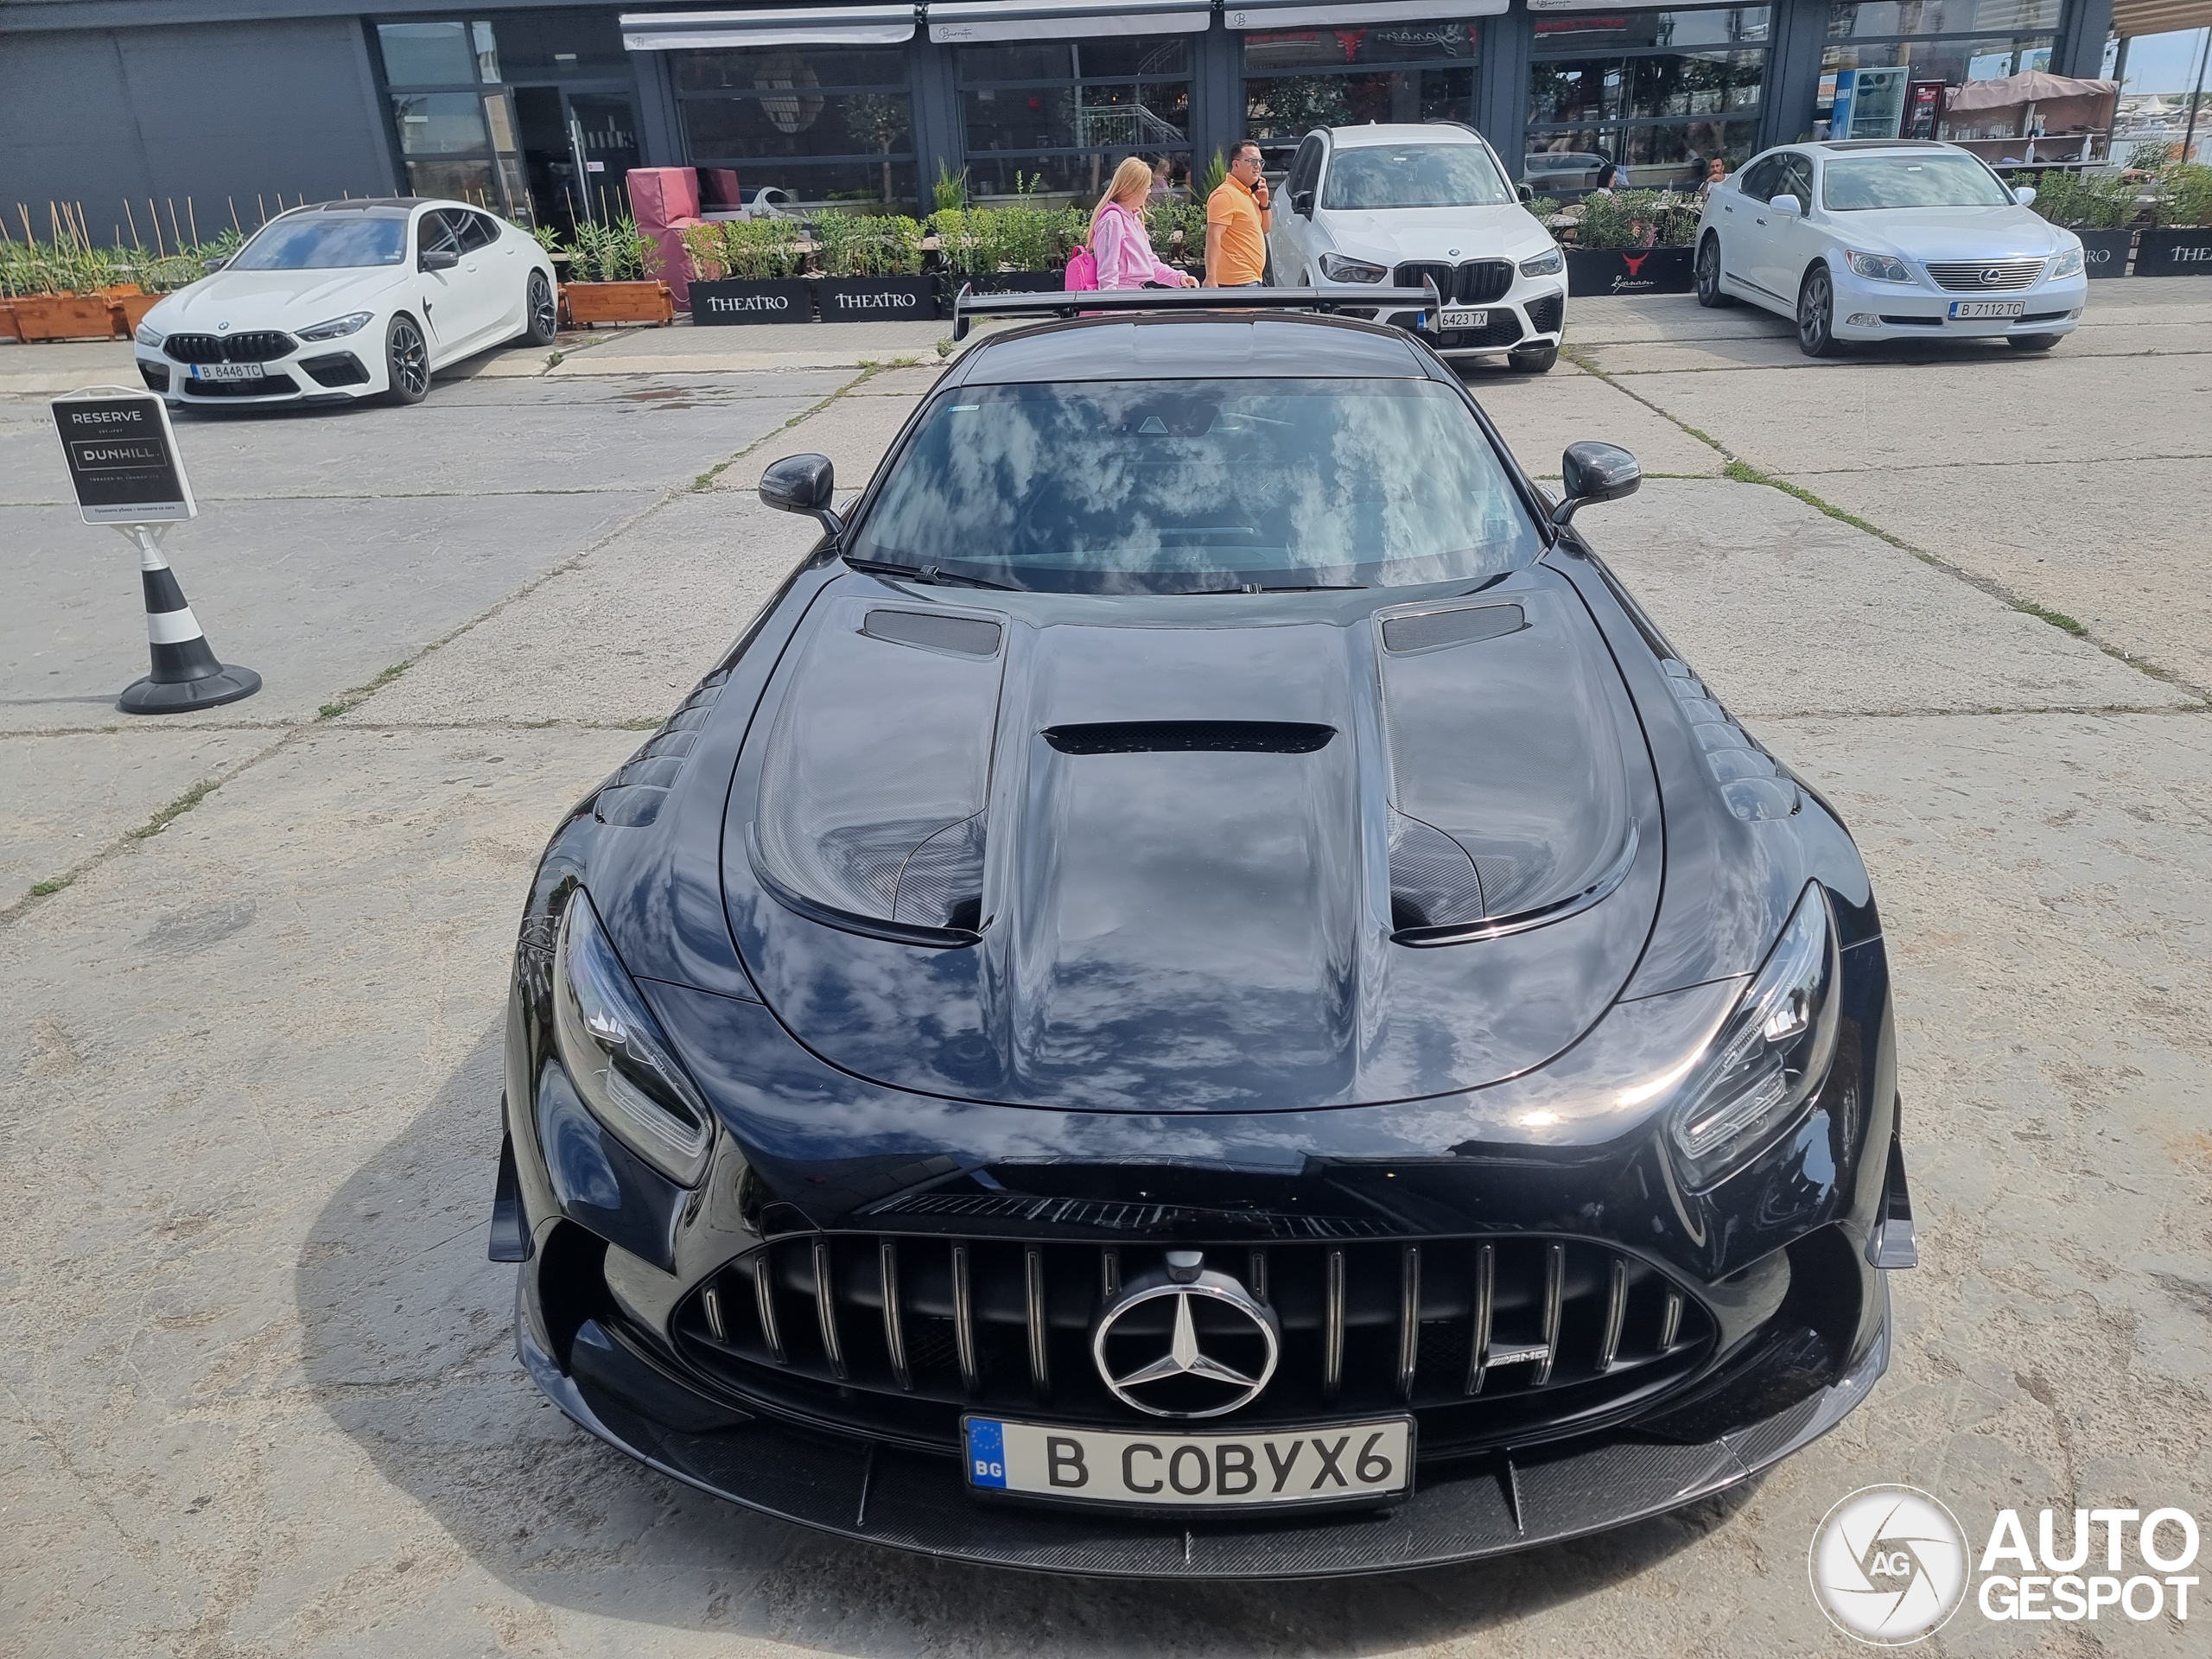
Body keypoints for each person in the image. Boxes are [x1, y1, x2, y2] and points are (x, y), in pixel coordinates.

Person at [1091, 156, 1198, 290]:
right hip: (1122, 298)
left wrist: (1179, 278)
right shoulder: (1113, 220)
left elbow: (1151, 263)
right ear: (1132, 189)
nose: (1149, 192)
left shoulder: (1132, 219)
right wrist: (1111, 309)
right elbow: (1108, 272)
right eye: (1147, 187)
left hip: (1130, 296)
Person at [1205, 139, 1272, 288]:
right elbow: (1213, 237)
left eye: (1261, 162)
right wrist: (1211, 277)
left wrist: (1265, 204)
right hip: (1235, 283)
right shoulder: (1225, 195)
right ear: (1235, 165)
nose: (1258, 166)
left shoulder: (1248, 194)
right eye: (1253, 161)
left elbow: (1264, 229)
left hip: (1251, 279)